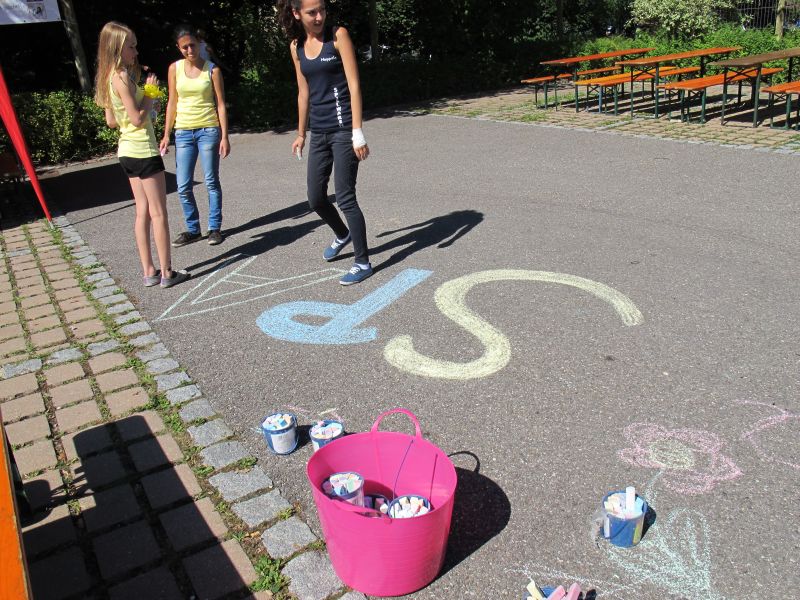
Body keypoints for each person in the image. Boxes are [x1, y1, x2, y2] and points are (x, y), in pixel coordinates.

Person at [277, 0, 373, 285]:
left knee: (345, 197)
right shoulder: (296, 46)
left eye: (322, 10)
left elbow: (354, 85)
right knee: (316, 198)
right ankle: (342, 234)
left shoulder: (338, 36)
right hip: (318, 132)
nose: (319, 17)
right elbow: (303, 92)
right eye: (312, 12)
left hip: (343, 130)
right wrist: (301, 133)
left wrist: (357, 132)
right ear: (297, 14)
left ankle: (363, 262)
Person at [94, 21, 190, 288]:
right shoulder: (121, 77)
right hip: (143, 150)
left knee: (142, 212)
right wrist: (149, 93)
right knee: (159, 213)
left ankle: (149, 271)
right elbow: (137, 119)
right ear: (117, 48)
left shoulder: (108, 77)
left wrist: (147, 103)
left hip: (126, 151)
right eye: (131, 47)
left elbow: (112, 121)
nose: (136, 52)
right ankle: (167, 272)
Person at [160, 24, 230, 247]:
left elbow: (220, 104)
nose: (190, 50)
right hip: (183, 132)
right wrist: (166, 134)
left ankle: (214, 228)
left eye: (193, 45)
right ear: (178, 48)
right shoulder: (174, 69)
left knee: (211, 181)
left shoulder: (212, 70)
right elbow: (172, 102)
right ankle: (193, 229)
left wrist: (225, 136)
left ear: (199, 43)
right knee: (183, 185)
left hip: (208, 130)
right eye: (185, 47)